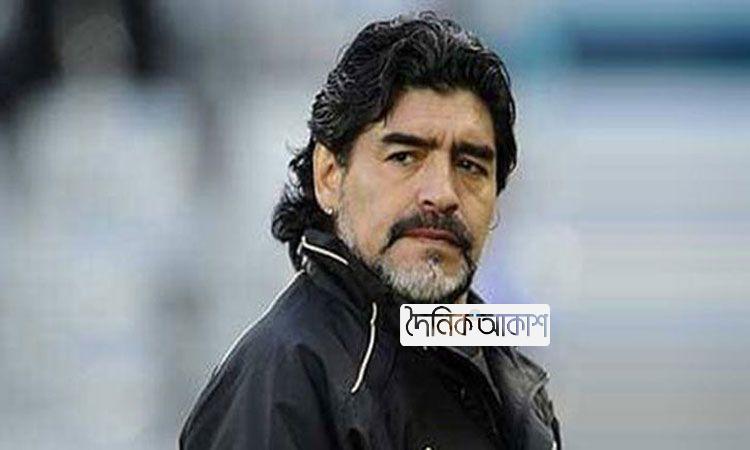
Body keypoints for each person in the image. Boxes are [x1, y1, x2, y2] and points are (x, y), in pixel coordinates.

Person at [180, 11, 562, 450]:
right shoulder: (284, 381)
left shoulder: (507, 372)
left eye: (470, 165)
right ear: (329, 176)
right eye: (404, 157)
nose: (442, 194)